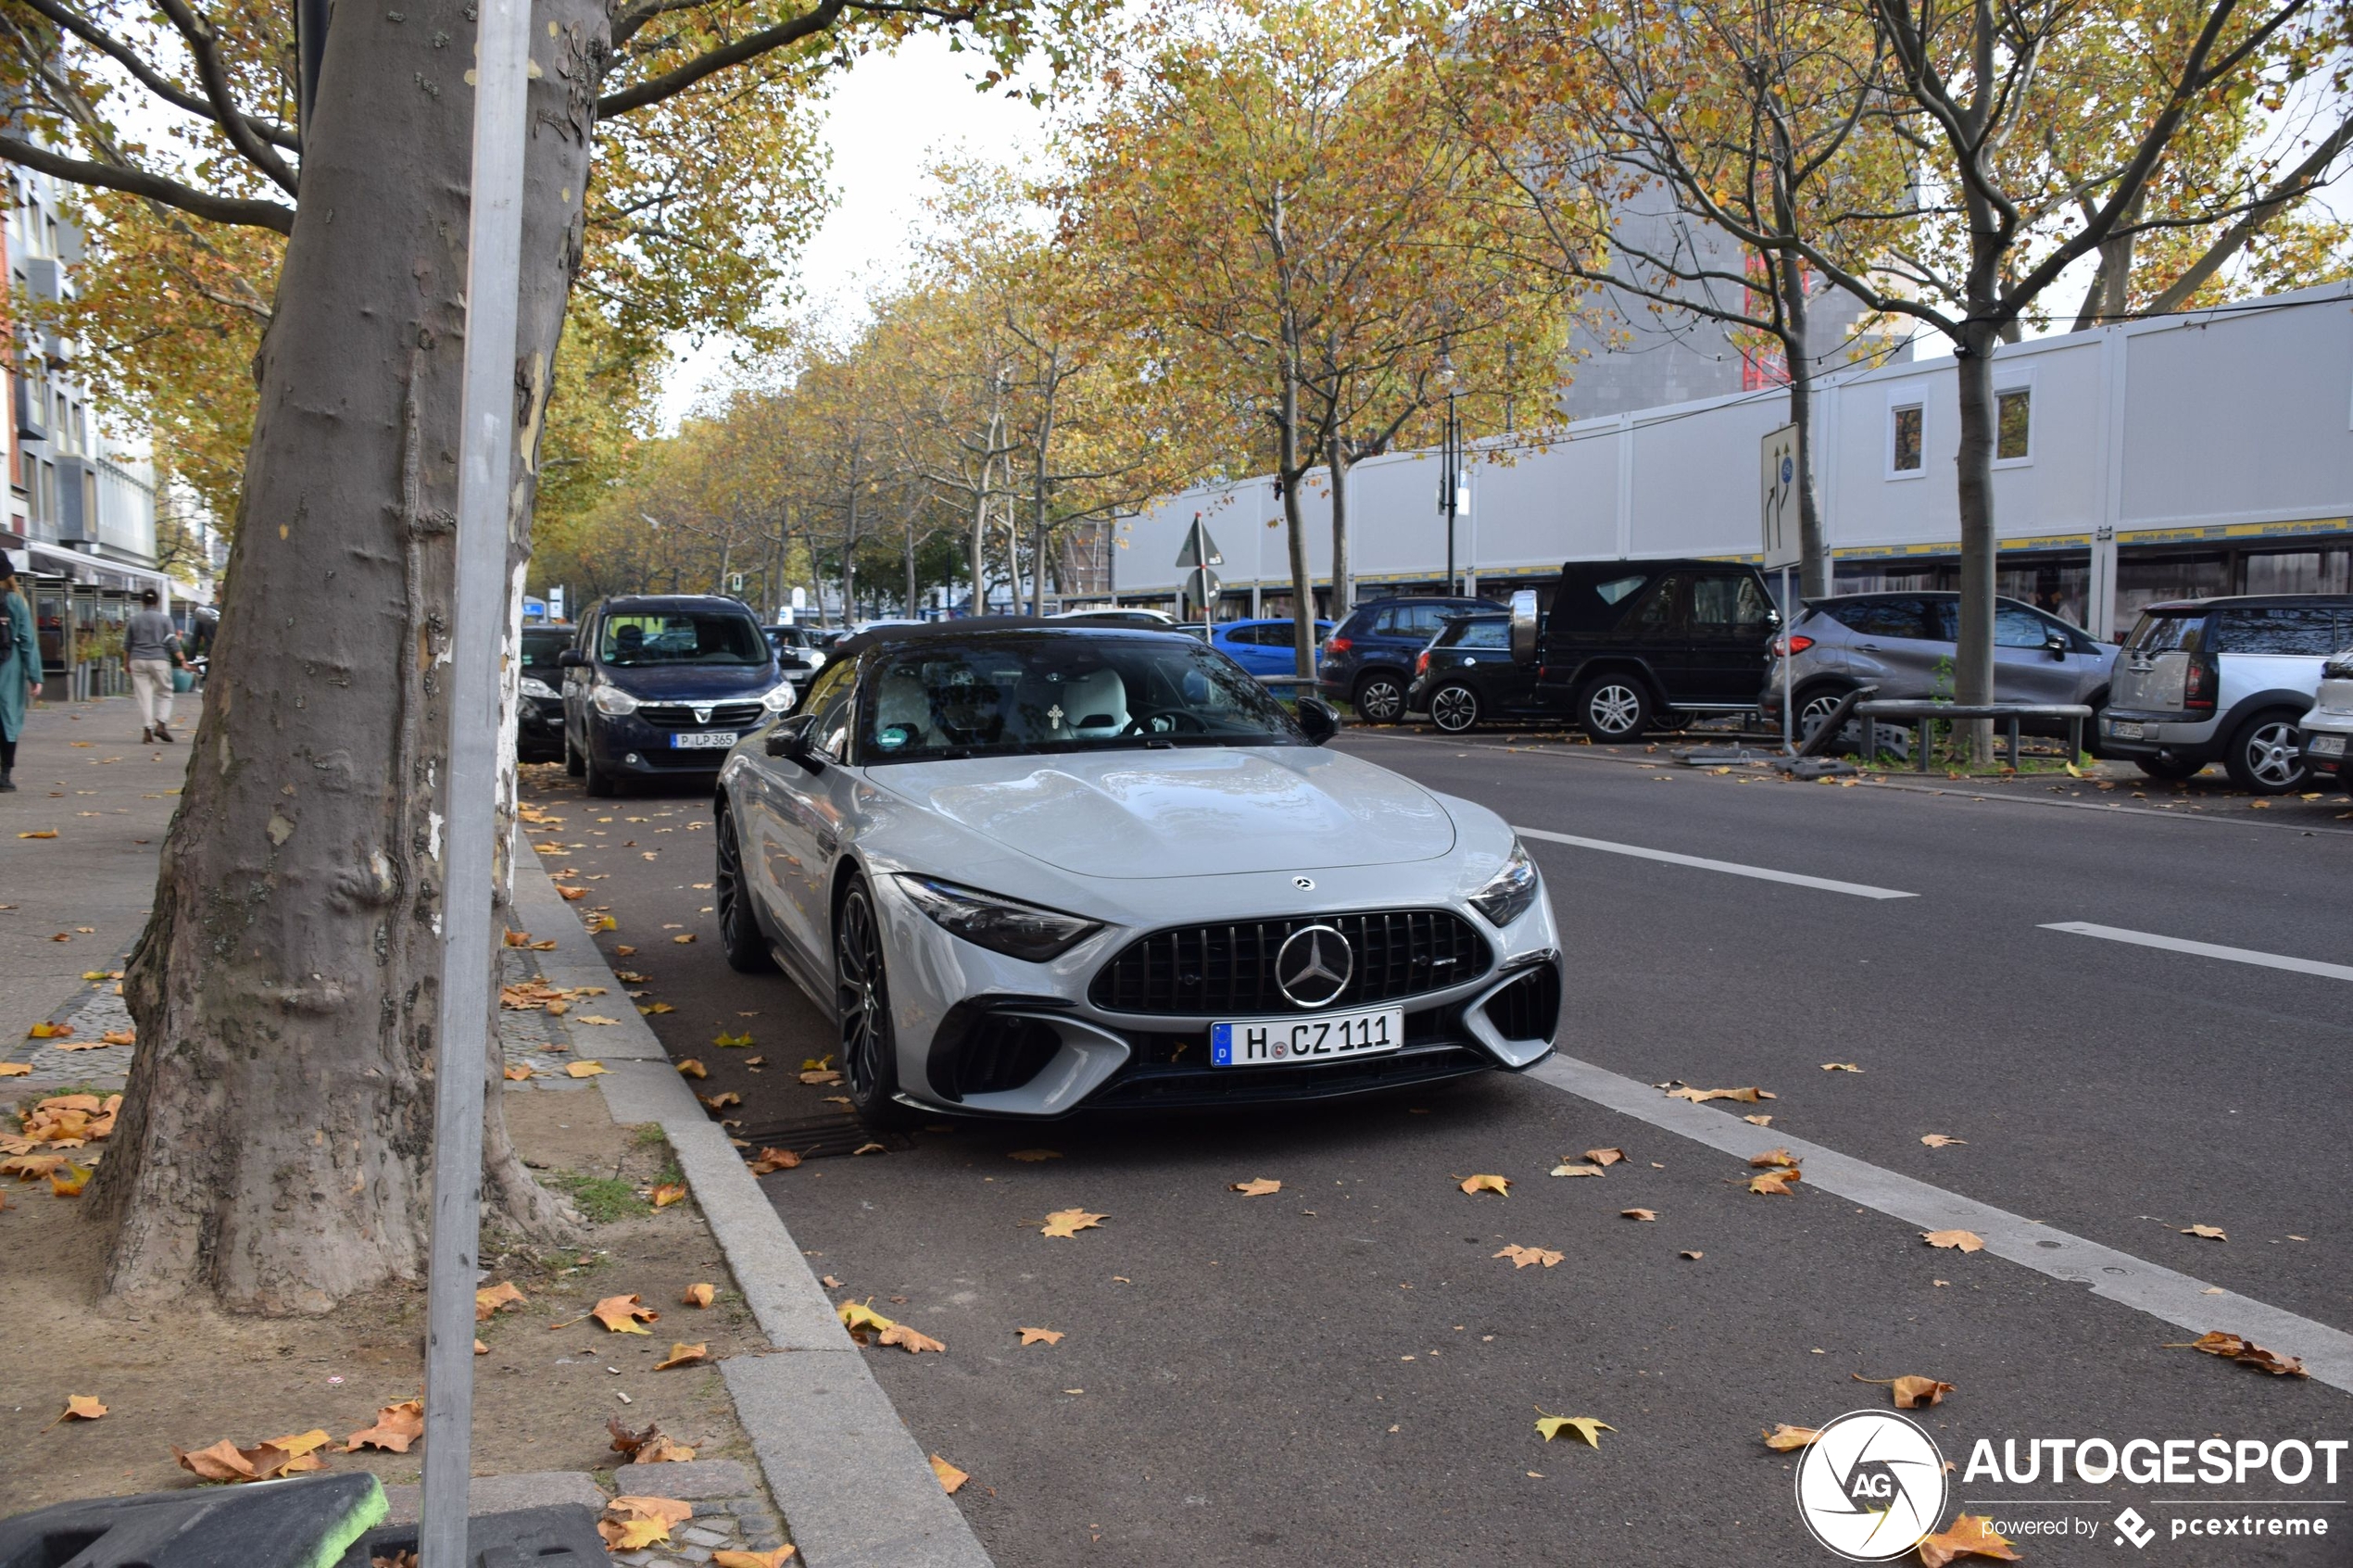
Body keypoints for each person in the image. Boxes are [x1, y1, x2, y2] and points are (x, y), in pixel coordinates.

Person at [125, 586, 185, 744]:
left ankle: (147, 731)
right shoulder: (165, 619)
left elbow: (127, 645)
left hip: (137, 659)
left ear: (142, 602)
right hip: (159, 659)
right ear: (157, 602)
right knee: (165, 693)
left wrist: (126, 664)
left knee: (144, 696)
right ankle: (161, 724)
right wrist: (183, 660)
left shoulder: (134, 619)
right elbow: (172, 642)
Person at [0, 554, 40, 792]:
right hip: (9, 665)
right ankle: (4, 775)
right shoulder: (16, 601)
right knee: (8, 718)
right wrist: (35, 676)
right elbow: (27, 640)